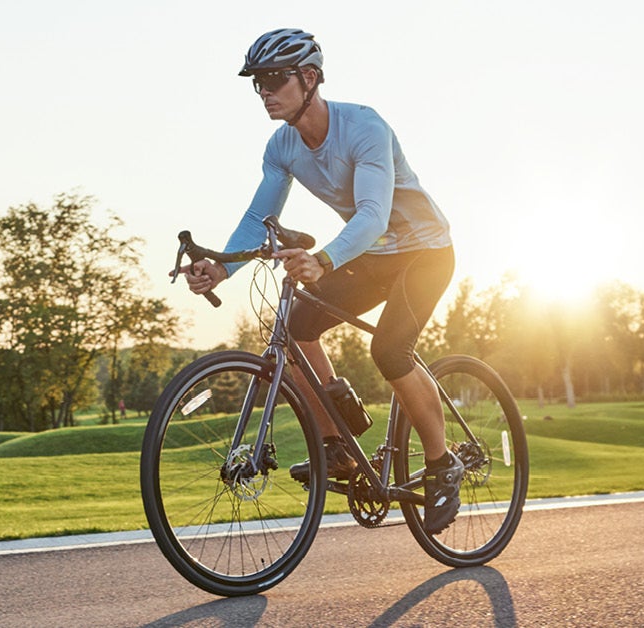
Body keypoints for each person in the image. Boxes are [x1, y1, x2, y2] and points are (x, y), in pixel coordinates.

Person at [179, 28, 461, 534]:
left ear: (309, 78)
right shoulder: (282, 145)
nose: (264, 92)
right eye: (257, 83)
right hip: (373, 255)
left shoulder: (364, 126)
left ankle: (444, 466)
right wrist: (222, 266)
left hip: (424, 251)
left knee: (391, 351)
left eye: (273, 80)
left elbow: (374, 214)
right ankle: (340, 448)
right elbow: (257, 217)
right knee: (298, 324)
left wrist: (324, 260)